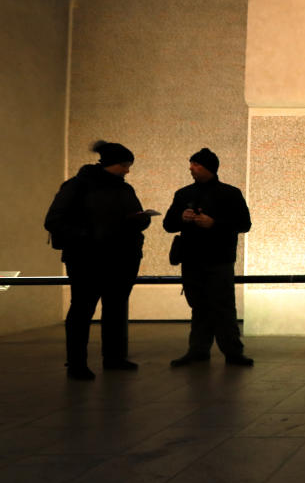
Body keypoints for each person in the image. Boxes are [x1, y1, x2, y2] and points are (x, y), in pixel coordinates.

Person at [44, 141, 151, 380]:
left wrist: (141, 220)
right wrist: (89, 236)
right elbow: (54, 221)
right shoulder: (77, 187)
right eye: (125, 165)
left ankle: (114, 358)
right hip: (86, 259)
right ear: (113, 164)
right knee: (83, 310)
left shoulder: (124, 189)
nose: (127, 170)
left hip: (121, 259)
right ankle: (77, 364)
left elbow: (134, 216)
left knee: (115, 309)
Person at [163, 148, 253, 367]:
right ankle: (198, 350)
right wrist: (181, 218)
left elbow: (244, 224)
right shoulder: (183, 194)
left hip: (219, 258)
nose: (191, 168)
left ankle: (232, 352)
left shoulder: (230, 193)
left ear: (209, 168)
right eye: (191, 163)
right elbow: (168, 224)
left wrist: (215, 224)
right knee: (199, 305)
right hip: (192, 258)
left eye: (196, 164)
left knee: (223, 306)